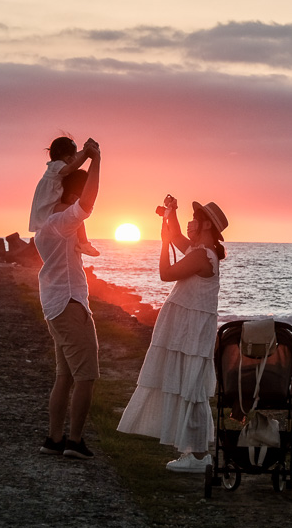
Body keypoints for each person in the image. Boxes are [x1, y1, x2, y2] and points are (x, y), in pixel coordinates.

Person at [117, 194, 228, 473]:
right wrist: (171, 211)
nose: (190, 224)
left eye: (194, 220)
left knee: (192, 389)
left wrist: (164, 243)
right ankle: (193, 452)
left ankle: (200, 456)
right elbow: (176, 232)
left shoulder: (202, 255)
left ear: (205, 226)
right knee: (184, 385)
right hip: (185, 329)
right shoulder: (197, 249)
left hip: (192, 332)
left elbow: (166, 273)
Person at [34, 138, 102, 459]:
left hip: (56, 305)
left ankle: (54, 439)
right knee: (86, 377)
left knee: (64, 376)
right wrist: (96, 160)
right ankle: (74, 442)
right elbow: (87, 205)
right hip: (69, 305)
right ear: (72, 193)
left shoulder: (50, 225)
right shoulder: (61, 224)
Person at [30, 136, 99, 257]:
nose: (74, 159)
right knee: (77, 215)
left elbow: (74, 159)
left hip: (48, 206)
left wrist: (87, 149)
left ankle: (83, 242)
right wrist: (87, 155)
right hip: (49, 208)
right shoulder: (57, 166)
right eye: (72, 157)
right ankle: (83, 243)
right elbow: (72, 166)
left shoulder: (55, 166)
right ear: (67, 158)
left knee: (76, 215)